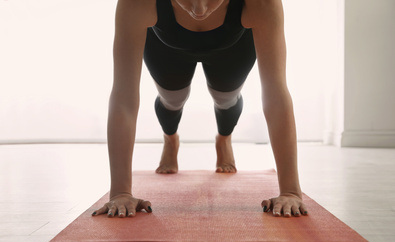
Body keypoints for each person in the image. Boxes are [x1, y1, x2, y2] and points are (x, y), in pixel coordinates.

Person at [92, 0, 308, 218]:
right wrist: (120, 192)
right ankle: (170, 138)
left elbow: (275, 93)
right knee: (172, 99)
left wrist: (290, 191)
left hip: (233, 45)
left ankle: (224, 138)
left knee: (226, 98)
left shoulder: (261, 3)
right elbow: (124, 96)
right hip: (166, 46)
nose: (199, 10)